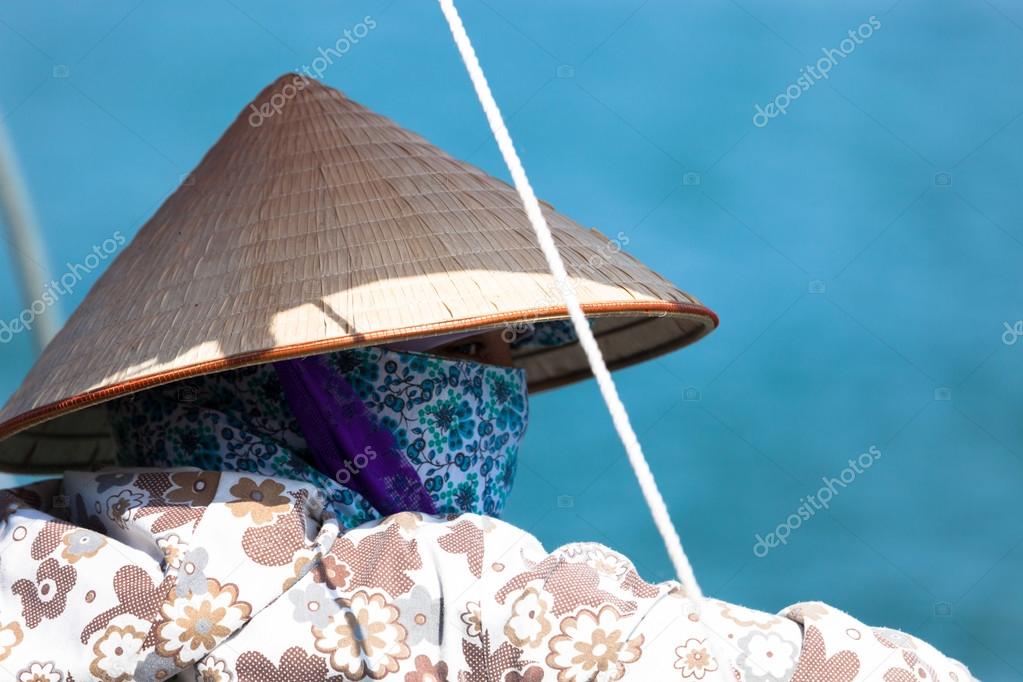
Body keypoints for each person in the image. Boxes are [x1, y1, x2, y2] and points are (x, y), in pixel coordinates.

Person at [0, 75, 974, 681]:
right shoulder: (425, 588)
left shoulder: (25, 551)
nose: (500, 403)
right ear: (311, 392)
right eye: (466, 358)